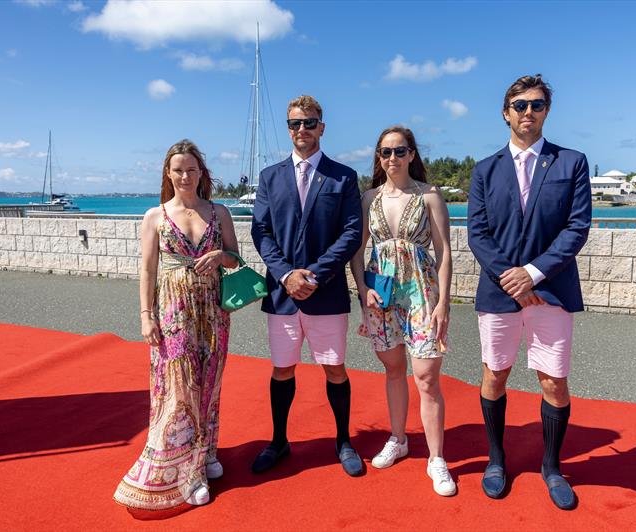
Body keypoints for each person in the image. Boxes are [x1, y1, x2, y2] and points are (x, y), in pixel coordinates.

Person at [467, 75, 591, 510]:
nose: (528, 112)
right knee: (494, 375)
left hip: (551, 291)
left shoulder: (571, 162)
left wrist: (533, 274)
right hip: (500, 293)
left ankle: (552, 466)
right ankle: (496, 459)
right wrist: (511, 277)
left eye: (536, 105)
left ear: (547, 111)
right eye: (520, 105)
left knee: (553, 381)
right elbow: (478, 235)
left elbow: (577, 228)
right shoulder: (484, 169)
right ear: (506, 112)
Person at [114, 139, 239, 510]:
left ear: (202, 173)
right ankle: (189, 472)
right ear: (168, 174)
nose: (185, 175)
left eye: (192, 169)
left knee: (209, 384)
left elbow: (237, 261)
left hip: (213, 314)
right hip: (174, 313)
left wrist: (220, 255)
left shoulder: (220, 212)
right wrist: (145, 316)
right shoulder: (155, 216)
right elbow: (148, 270)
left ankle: (207, 452)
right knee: (179, 389)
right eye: (178, 169)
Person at [250, 95, 364, 476]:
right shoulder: (269, 177)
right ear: (288, 128)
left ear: (322, 127)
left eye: (309, 122)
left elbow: (351, 233)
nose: (302, 130)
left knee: (335, 368)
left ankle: (344, 440)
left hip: (326, 292)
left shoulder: (343, 176)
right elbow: (261, 232)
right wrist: (286, 275)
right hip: (283, 295)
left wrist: (314, 274)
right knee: (282, 369)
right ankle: (279, 441)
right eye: (295, 123)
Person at [351, 126, 456, 496]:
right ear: (378, 157)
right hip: (382, 294)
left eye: (399, 151)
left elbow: (443, 252)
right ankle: (399, 439)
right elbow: (358, 250)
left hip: (421, 293)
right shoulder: (369, 198)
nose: (392, 158)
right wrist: (362, 290)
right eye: (385, 152)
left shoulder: (429, 195)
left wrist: (444, 302)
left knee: (426, 376)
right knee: (393, 369)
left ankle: (437, 458)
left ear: (412, 154)